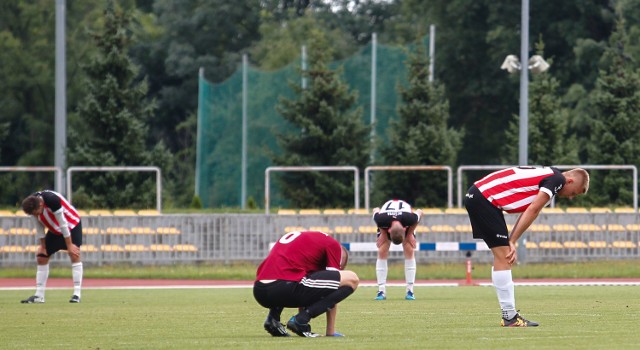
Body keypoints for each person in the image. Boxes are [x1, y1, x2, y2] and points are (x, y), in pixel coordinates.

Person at [464, 166, 589, 327]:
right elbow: (534, 209)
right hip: (484, 199)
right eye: (573, 193)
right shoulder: (558, 179)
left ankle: (509, 315)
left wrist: (512, 239)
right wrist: (513, 240)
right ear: (570, 181)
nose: (571, 197)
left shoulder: (551, 173)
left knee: (502, 256)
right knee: (505, 256)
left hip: (479, 195)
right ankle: (510, 316)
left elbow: (529, 207)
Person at [253, 230, 359, 337]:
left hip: (259, 290)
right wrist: (330, 332)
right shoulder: (333, 245)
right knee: (352, 279)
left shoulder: (308, 242)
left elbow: (306, 288)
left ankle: (273, 319)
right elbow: (333, 286)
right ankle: (301, 320)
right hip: (285, 287)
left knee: (293, 278)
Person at [20, 190, 84, 303]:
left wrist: (69, 245)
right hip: (55, 229)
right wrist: (43, 246)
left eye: (36, 212)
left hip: (71, 225)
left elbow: (63, 223)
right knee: (41, 256)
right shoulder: (32, 204)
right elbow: (39, 228)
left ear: (41, 204)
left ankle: (76, 294)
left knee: (74, 254)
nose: (36, 215)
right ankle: (39, 295)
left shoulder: (52, 200)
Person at [372, 199, 423, 301]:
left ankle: (410, 290)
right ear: (389, 230)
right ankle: (381, 290)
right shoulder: (380, 219)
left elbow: (420, 212)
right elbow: (376, 209)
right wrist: (382, 233)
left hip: (402, 219)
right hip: (386, 219)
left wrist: (409, 235)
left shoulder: (410, 219)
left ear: (405, 229)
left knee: (409, 248)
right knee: (382, 249)